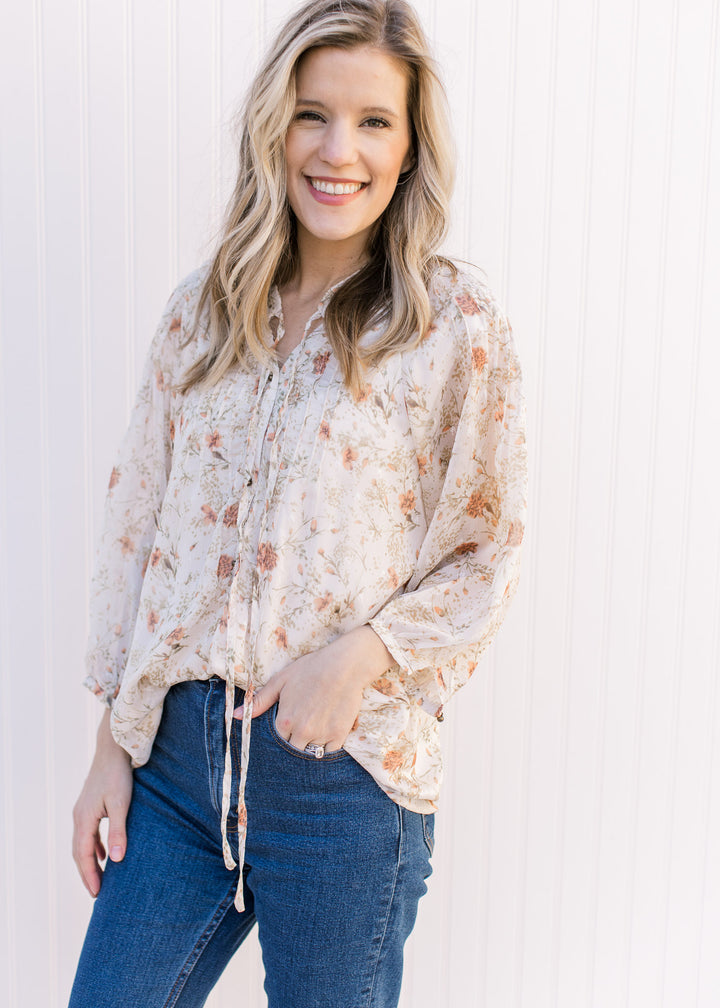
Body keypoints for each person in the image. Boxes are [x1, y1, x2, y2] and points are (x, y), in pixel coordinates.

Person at [69, 0, 527, 1005]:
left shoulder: (453, 324)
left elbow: (486, 551)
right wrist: (113, 742)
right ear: (273, 126)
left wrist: (356, 660)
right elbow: (136, 531)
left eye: (373, 122)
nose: (337, 150)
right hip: (176, 780)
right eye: (312, 114)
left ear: (410, 149)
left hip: (341, 778)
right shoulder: (199, 315)